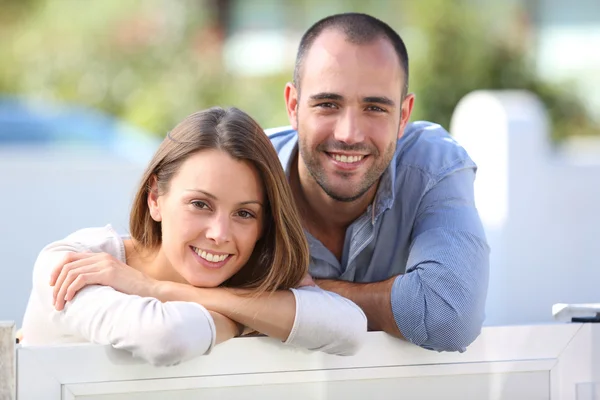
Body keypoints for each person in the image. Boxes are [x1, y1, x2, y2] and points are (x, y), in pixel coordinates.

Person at [20, 106, 367, 366]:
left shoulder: (235, 282)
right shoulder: (74, 261)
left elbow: (348, 328)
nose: (219, 234)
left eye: (245, 213)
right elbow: (166, 337)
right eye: (200, 204)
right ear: (155, 198)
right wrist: (249, 319)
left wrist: (158, 290)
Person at [266, 12, 490, 352]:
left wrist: (289, 299)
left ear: (403, 116)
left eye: (374, 108)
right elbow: (168, 288)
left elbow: (449, 316)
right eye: (328, 104)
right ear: (293, 106)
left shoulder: (432, 166)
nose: (349, 134)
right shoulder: (245, 173)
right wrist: (396, 302)